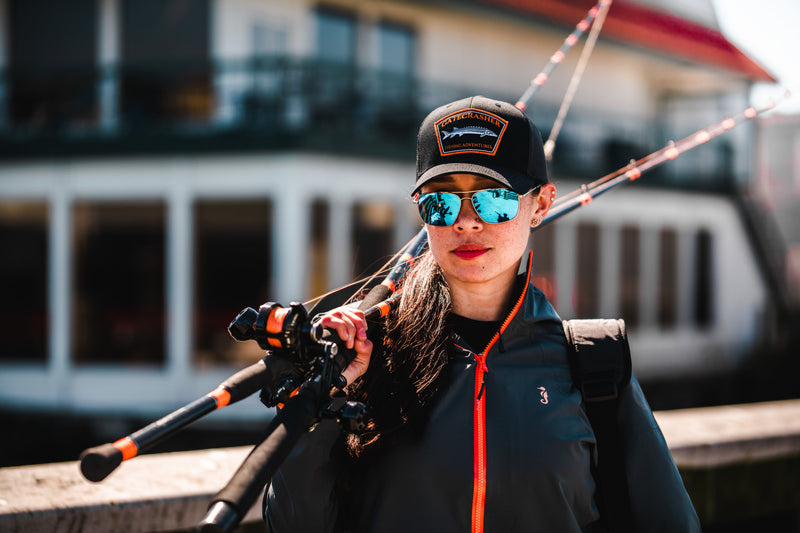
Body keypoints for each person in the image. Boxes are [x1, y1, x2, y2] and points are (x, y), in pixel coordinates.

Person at [263, 96, 701, 532]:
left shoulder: (595, 364)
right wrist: (315, 400)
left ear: (542, 204)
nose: (467, 221)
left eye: (494, 200)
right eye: (441, 202)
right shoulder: (362, 356)